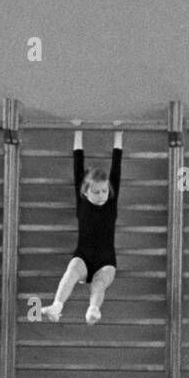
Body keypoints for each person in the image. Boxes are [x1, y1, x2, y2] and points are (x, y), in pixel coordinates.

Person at [44, 127, 122, 324]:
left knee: (99, 284)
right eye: (96, 192)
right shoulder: (83, 203)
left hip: (106, 261)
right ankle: (56, 306)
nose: (101, 195)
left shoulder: (111, 202)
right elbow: (77, 166)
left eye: (104, 191)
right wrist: (78, 133)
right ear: (85, 192)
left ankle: (93, 310)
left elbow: (116, 169)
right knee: (71, 272)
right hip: (83, 257)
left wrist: (118, 136)